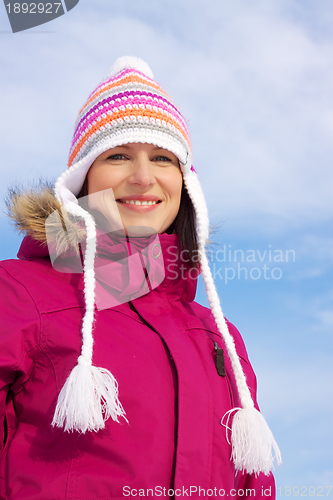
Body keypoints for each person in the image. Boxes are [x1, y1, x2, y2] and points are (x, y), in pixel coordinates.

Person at [0, 57, 281, 500]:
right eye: (118, 155)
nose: (144, 176)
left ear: (185, 184)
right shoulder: (16, 293)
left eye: (162, 158)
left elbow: (253, 485)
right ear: (83, 177)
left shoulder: (218, 336)